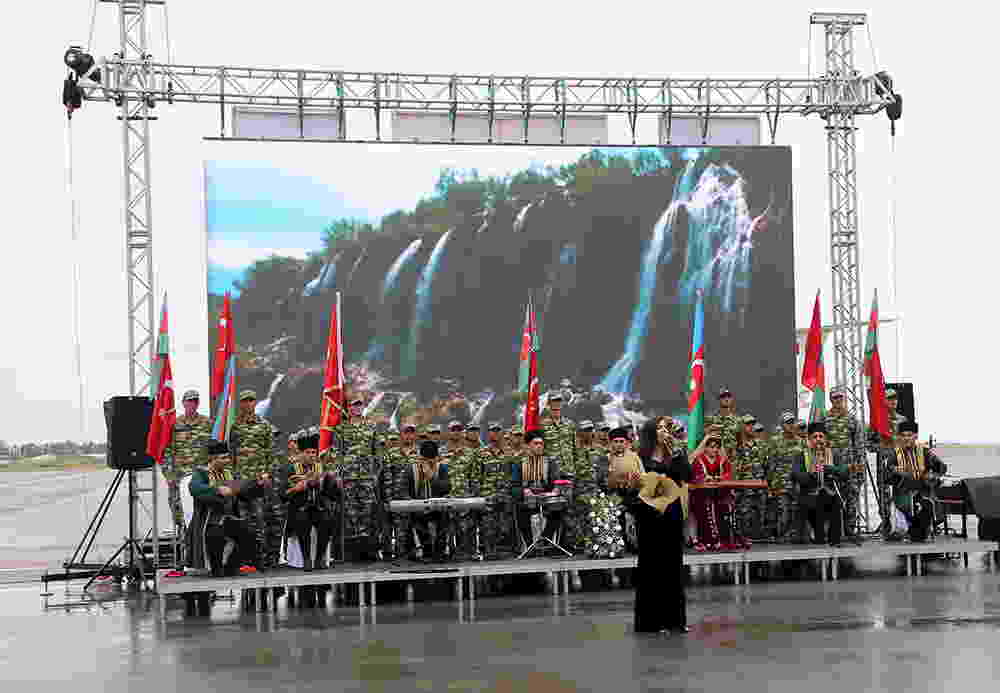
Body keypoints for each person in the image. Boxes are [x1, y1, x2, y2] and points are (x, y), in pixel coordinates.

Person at [186, 446, 269, 577]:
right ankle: (216, 568)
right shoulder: (201, 473)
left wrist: (258, 484)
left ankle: (232, 566)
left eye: (227, 457)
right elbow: (194, 488)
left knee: (248, 532)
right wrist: (218, 490)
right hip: (208, 521)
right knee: (215, 535)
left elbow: (244, 493)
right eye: (223, 458)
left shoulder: (230, 474)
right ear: (212, 458)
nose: (227, 460)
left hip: (229, 518)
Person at [632, 458, 690, 635]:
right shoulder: (656, 488)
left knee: (672, 582)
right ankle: (655, 624)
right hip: (654, 548)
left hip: (670, 547)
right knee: (656, 582)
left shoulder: (678, 490)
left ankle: (674, 622)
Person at [232, 390, 283, 570]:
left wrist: (268, 475)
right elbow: (231, 455)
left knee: (262, 519)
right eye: (244, 400)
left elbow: (271, 453)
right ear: (241, 404)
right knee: (245, 521)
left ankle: (264, 558)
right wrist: (234, 480)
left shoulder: (264, 426)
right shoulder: (234, 427)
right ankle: (249, 558)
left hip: (260, 480)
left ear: (255, 403)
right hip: (242, 482)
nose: (248, 404)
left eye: (251, 400)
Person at [881, 421, 946, 542]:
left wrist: (932, 475)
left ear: (915, 436)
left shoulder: (924, 452)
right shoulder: (894, 454)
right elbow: (886, 477)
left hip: (923, 491)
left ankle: (921, 533)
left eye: (909, 435)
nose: (906, 438)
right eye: (903, 435)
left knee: (928, 505)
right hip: (903, 493)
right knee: (912, 508)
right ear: (899, 437)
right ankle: (910, 532)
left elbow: (941, 466)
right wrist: (897, 474)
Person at [284, 430, 340, 571]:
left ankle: (320, 558)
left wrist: (331, 481)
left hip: (318, 507)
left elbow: (332, 495)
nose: (311, 455)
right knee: (302, 520)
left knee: (328, 519)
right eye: (308, 452)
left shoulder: (321, 468)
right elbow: (282, 494)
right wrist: (297, 488)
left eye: (314, 452)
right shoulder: (291, 469)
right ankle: (307, 558)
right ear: (301, 453)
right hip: (299, 508)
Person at [163, 390, 211, 539]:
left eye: (195, 401)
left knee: (203, 517)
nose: (192, 404)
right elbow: (166, 452)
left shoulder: (208, 423)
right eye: (189, 401)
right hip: (180, 478)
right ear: (183, 403)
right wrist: (169, 476)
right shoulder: (175, 425)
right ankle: (185, 556)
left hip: (201, 478)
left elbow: (215, 450)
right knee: (181, 518)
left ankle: (199, 555)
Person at [790, 422, 847, 546]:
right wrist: (812, 474)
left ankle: (835, 542)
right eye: (815, 437)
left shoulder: (834, 454)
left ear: (825, 439)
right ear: (809, 439)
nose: (818, 440)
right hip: (809, 496)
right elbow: (796, 475)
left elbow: (844, 473)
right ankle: (819, 538)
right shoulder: (801, 456)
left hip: (830, 495)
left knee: (836, 503)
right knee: (817, 503)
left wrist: (830, 469)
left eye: (821, 436)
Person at [512, 429, 565, 550]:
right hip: (527, 500)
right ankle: (530, 545)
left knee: (558, 509)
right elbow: (513, 486)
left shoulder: (550, 463)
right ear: (528, 445)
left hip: (546, 499)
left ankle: (546, 539)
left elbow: (556, 482)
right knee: (520, 509)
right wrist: (523, 491)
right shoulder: (519, 463)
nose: (539, 446)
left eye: (541, 443)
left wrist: (555, 490)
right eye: (535, 444)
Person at [689, 433, 741, 551]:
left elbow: (728, 474)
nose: (714, 449)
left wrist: (721, 478)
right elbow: (694, 475)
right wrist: (704, 478)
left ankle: (727, 539)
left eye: (717, 447)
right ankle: (709, 540)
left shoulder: (722, 460)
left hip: (720, 493)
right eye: (711, 446)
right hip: (702, 494)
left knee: (727, 505)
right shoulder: (698, 460)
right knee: (707, 506)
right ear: (705, 447)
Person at [404, 440, 451, 561]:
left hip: (439, 510)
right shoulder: (411, 469)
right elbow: (405, 491)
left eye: (432, 460)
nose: (429, 463)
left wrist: (431, 476)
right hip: (419, 510)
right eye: (426, 461)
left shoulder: (442, 468)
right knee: (417, 525)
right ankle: (422, 551)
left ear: (437, 458)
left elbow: (446, 488)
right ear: (420, 458)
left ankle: (441, 552)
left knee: (444, 521)